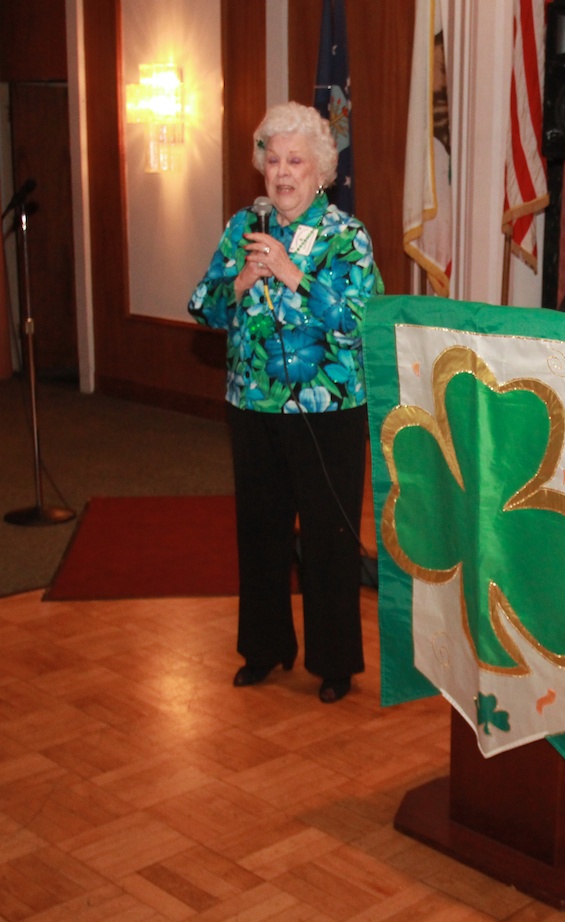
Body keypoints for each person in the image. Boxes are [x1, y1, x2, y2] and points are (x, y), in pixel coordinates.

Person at [188, 102, 383, 703]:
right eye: (272, 159)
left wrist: (294, 274)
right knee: (261, 532)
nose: (282, 171)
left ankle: (334, 663)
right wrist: (240, 282)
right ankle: (265, 648)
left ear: (321, 170)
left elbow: (364, 322)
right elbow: (203, 305)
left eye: (295, 160)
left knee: (328, 537)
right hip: (252, 405)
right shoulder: (243, 227)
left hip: (327, 411)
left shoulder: (345, 236)